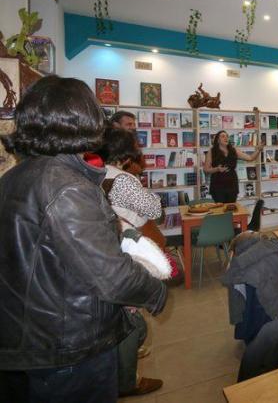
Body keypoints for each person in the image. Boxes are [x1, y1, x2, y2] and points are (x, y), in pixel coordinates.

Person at [0, 76, 167, 403]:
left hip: (29, 339)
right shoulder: (66, 187)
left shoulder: (14, 177)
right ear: (84, 119)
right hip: (67, 348)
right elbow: (113, 277)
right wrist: (156, 290)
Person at [97, 127, 167, 397]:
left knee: (124, 315)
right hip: (130, 248)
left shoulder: (96, 174)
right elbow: (154, 210)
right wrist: (154, 196)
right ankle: (126, 380)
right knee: (133, 321)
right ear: (125, 153)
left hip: (110, 248)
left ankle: (119, 372)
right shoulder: (123, 180)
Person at [203, 130, 262, 203]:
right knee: (220, 210)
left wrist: (258, 150)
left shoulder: (234, 150)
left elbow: (250, 158)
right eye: (223, 136)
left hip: (232, 185)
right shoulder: (211, 152)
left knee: (231, 209)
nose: (226, 138)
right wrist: (217, 169)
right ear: (217, 140)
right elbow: (206, 169)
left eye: (227, 136)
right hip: (217, 186)